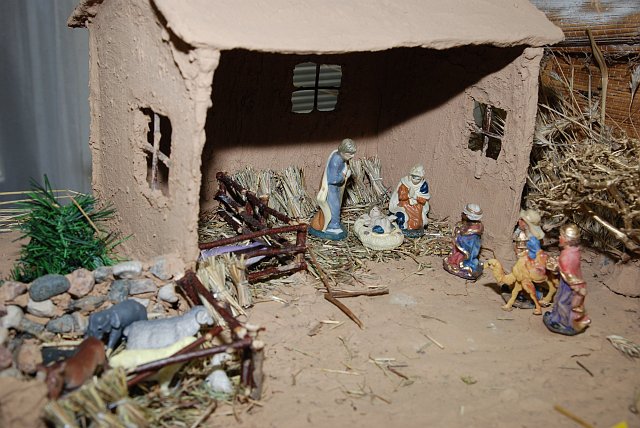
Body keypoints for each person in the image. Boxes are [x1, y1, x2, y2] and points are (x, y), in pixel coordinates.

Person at [543, 224, 591, 336]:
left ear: (567, 239)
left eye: (561, 236)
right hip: (567, 283)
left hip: (570, 285)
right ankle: (555, 317)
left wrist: (555, 267)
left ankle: (564, 323)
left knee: (563, 302)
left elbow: (568, 273)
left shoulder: (568, 255)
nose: (559, 237)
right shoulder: (573, 251)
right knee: (558, 298)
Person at [309, 138, 357, 240]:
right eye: (350, 154)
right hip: (331, 189)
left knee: (336, 206)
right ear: (343, 152)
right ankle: (333, 226)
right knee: (334, 207)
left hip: (336, 189)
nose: (352, 156)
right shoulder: (336, 161)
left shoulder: (341, 158)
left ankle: (334, 224)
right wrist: (344, 175)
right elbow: (333, 179)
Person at [443, 203, 484, 280]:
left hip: (468, 250)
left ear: (468, 216)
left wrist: (458, 237)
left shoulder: (470, 231)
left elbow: (465, 242)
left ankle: (464, 265)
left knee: (462, 258)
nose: (462, 214)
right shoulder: (474, 226)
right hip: (468, 249)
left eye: (464, 214)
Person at [389, 164, 431, 237]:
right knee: (403, 217)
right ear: (410, 176)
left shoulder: (423, 185)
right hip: (404, 204)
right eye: (414, 177)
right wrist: (409, 195)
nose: (416, 180)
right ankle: (402, 229)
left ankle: (415, 229)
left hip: (417, 206)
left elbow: (423, 199)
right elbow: (401, 196)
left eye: (418, 179)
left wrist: (415, 197)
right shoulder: (405, 183)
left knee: (418, 222)